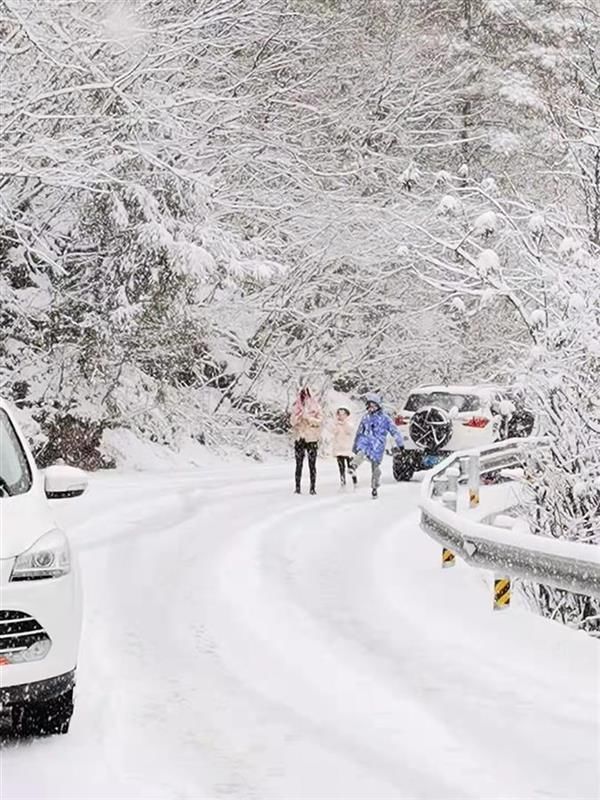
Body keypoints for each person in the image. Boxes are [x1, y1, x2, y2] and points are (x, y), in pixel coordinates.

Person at [350, 393, 404, 498]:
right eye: (369, 406)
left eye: (373, 406)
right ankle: (353, 465)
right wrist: (355, 444)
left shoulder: (385, 418)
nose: (371, 408)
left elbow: (394, 431)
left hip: (378, 444)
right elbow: (359, 431)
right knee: (361, 452)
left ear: (378, 406)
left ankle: (374, 487)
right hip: (366, 441)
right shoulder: (365, 418)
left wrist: (400, 443)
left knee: (375, 467)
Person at [290, 387, 322, 495]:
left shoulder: (316, 406)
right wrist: (298, 418)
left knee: (312, 464)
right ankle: (297, 487)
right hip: (299, 437)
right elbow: (292, 422)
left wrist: (308, 418)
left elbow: (320, 421)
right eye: (302, 394)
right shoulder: (296, 406)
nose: (304, 396)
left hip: (312, 438)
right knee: (298, 464)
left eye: (306, 394)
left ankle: (312, 488)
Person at [332, 407, 354, 487]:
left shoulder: (349, 423)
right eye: (339, 414)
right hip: (339, 449)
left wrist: (344, 423)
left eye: (343, 414)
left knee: (351, 467)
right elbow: (333, 431)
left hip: (348, 449)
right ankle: (343, 482)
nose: (341, 416)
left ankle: (354, 481)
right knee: (341, 468)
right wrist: (337, 424)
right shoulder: (336, 423)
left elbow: (349, 430)